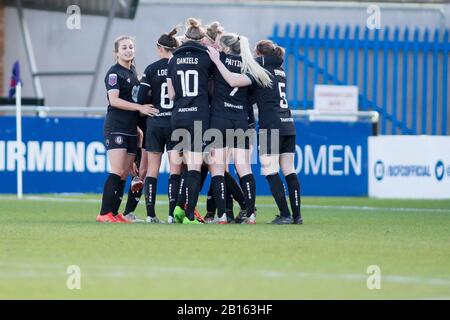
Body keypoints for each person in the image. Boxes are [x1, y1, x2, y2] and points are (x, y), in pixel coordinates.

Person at [207, 39, 303, 225]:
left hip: (272, 125)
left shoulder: (260, 69)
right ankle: (297, 215)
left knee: (270, 171)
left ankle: (285, 214)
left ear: (259, 55)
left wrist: (218, 61)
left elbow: (234, 81)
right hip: (288, 123)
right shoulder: (281, 70)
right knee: (289, 170)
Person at [207, 33, 272, 224]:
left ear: (226, 48)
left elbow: (228, 80)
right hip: (241, 121)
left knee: (218, 169)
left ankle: (222, 215)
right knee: (243, 168)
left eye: (219, 45)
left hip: (220, 119)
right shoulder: (249, 65)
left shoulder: (218, 59)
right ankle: (250, 215)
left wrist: (216, 61)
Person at [96, 35, 159, 223]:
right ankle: (104, 213)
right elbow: (113, 100)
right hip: (117, 127)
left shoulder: (132, 72)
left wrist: (139, 129)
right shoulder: (115, 73)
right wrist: (140, 108)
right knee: (116, 170)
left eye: (131, 47)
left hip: (131, 129)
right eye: (124, 48)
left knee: (124, 173)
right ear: (116, 53)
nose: (128, 50)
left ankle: (115, 214)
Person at [167, 18, 213, 224]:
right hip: (198, 115)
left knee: (182, 166)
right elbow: (212, 88)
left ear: (185, 38)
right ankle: (188, 215)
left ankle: (177, 208)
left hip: (178, 115)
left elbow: (171, 93)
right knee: (194, 167)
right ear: (202, 39)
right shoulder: (206, 57)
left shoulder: (173, 59)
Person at [137, 27, 181, 224]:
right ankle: (172, 215)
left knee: (152, 170)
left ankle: (150, 215)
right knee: (175, 170)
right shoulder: (179, 67)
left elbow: (140, 98)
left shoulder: (151, 69)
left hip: (154, 123)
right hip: (174, 123)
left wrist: (146, 108)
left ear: (159, 48)